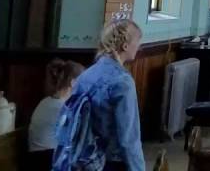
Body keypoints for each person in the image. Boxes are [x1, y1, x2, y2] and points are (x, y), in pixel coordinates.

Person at [51, 20, 145, 171]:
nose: (139, 46)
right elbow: (128, 140)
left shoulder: (85, 76)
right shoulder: (123, 82)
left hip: (82, 160)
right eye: (138, 41)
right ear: (125, 46)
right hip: (111, 162)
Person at [28, 59, 84, 168]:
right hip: (46, 161)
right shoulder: (61, 108)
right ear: (73, 83)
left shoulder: (46, 101)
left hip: (39, 160)